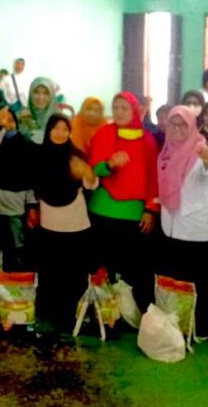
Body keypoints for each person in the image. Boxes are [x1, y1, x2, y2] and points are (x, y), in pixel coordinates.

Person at [86, 92, 160, 308]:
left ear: (134, 111)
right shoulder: (103, 134)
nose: (119, 112)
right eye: (116, 107)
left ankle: (132, 313)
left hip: (134, 214)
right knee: (102, 268)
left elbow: (153, 178)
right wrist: (109, 164)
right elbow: (94, 170)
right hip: (102, 210)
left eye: (124, 108)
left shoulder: (147, 139)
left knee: (133, 268)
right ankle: (104, 313)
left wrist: (150, 209)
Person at [156, 105, 208, 339]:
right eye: (173, 124)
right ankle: (178, 322)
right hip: (171, 225)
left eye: (183, 125)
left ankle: (201, 326)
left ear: (192, 126)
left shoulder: (200, 148)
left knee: (199, 280)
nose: (177, 129)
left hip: (197, 228)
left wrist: (207, 161)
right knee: (177, 280)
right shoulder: (166, 151)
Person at [34, 114, 97, 329]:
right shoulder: (40, 155)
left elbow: (91, 184)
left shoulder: (76, 155)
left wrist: (87, 173)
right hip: (49, 222)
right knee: (52, 271)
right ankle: (51, 313)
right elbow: (33, 185)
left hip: (75, 222)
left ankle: (72, 314)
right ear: (48, 130)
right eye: (56, 128)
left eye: (65, 129)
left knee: (74, 272)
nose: (60, 133)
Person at [0, 107, 33, 272]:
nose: (8, 123)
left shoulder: (25, 143)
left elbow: (30, 176)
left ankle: (15, 278)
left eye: (11, 120)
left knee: (17, 246)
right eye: (4, 119)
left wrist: (32, 205)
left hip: (15, 204)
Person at [21, 77, 59, 145]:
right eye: (36, 92)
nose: (41, 97)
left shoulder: (58, 120)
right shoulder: (22, 117)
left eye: (46, 93)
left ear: (52, 96)